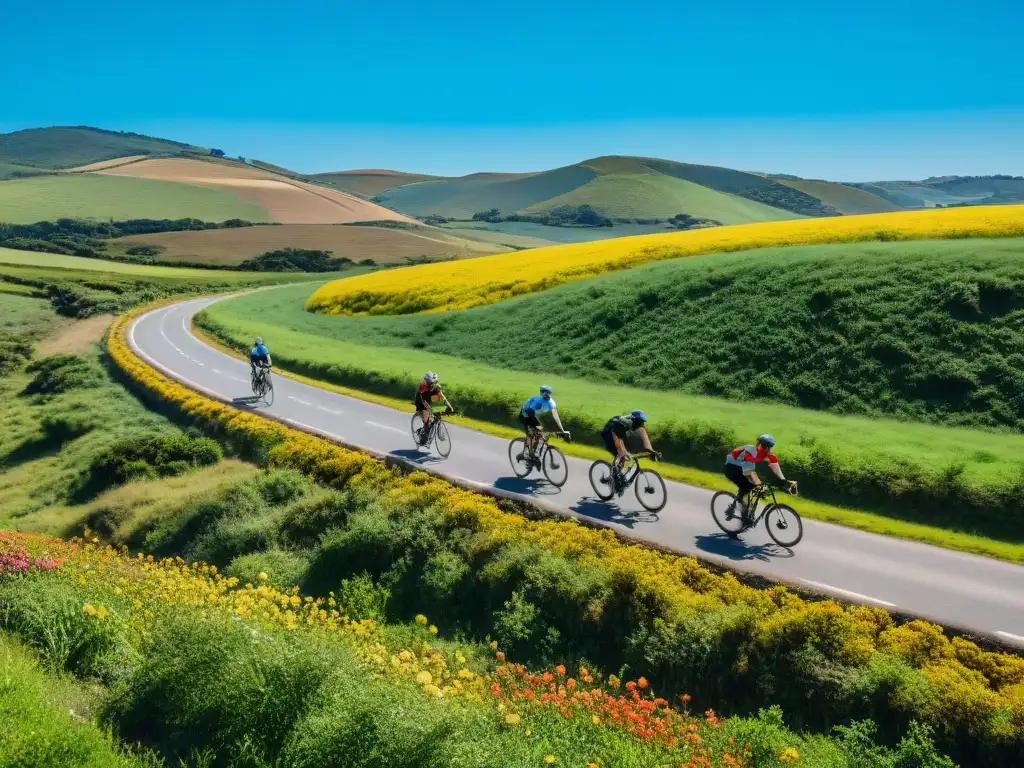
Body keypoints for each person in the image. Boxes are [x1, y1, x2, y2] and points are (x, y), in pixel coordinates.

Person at [724, 434, 797, 521]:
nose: (767, 449)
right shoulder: (750, 450)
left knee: (756, 487)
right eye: (765, 446)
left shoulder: (769, 456)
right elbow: (748, 470)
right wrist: (758, 483)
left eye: (770, 447)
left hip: (744, 468)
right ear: (758, 444)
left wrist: (785, 482)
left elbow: (777, 471)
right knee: (747, 487)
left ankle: (743, 506)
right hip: (732, 467)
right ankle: (743, 514)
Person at [600, 410, 658, 491]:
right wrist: (621, 452)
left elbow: (645, 440)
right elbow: (616, 436)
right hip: (609, 434)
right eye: (641, 422)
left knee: (625, 454)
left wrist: (651, 451)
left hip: (619, 435)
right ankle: (615, 479)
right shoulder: (625, 423)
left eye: (643, 422)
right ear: (635, 420)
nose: (642, 424)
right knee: (621, 455)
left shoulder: (639, 425)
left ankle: (618, 475)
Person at [519, 385, 568, 456]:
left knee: (541, 435)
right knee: (532, 434)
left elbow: (554, 417)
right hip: (526, 415)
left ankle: (534, 453)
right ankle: (525, 453)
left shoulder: (552, 403)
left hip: (537, 416)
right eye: (544, 392)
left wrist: (560, 430)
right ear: (541, 392)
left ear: (550, 393)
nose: (546, 394)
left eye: (548, 392)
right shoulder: (537, 401)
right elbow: (531, 412)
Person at [414, 371, 453, 444]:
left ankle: (432, 424)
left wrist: (449, 406)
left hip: (431, 397)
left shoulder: (436, 386)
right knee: (426, 413)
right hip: (422, 400)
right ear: (427, 382)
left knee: (438, 408)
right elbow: (425, 403)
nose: (433, 385)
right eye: (431, 384)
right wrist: (431, 410)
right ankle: (424, 432)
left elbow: (441, 396)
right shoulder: (423, 387)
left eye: (434, 383)